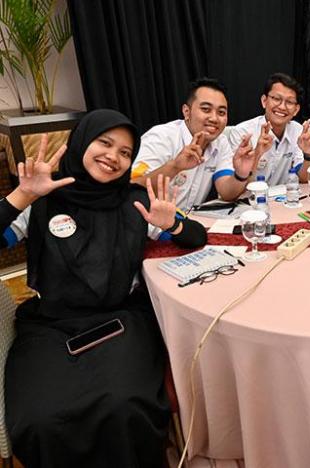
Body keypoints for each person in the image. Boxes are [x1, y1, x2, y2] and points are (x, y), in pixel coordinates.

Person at [3, 109, 207, 467]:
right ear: (81, 141)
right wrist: (22, 195)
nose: (113, 157)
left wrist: (172, 224)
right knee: (40, 418)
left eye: (125, 152)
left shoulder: (134, 201)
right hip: (51, 324)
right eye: (105, 143)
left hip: (120, 320)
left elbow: (195, 236)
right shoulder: (42, 197)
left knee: (125, 404)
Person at [131, 77, 257, 210]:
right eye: (206, 109)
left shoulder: (220, 142)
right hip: (150, 220)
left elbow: (226, 193)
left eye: (221, 112)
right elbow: (131, 187)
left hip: (187, 219)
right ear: (186, 112)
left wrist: (241, 174)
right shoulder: (161, 137)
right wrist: (175, 166)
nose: (214, 118)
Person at [228, 73, 310, 184]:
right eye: (276, 99)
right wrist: (257, 153)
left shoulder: (298, 131)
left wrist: (309, 154)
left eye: (289, 102)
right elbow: (236, 186)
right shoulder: (242, 132)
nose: (282, 107)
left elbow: (304, 178)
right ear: (264, 101)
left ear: (296, 110)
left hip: (284, 195)